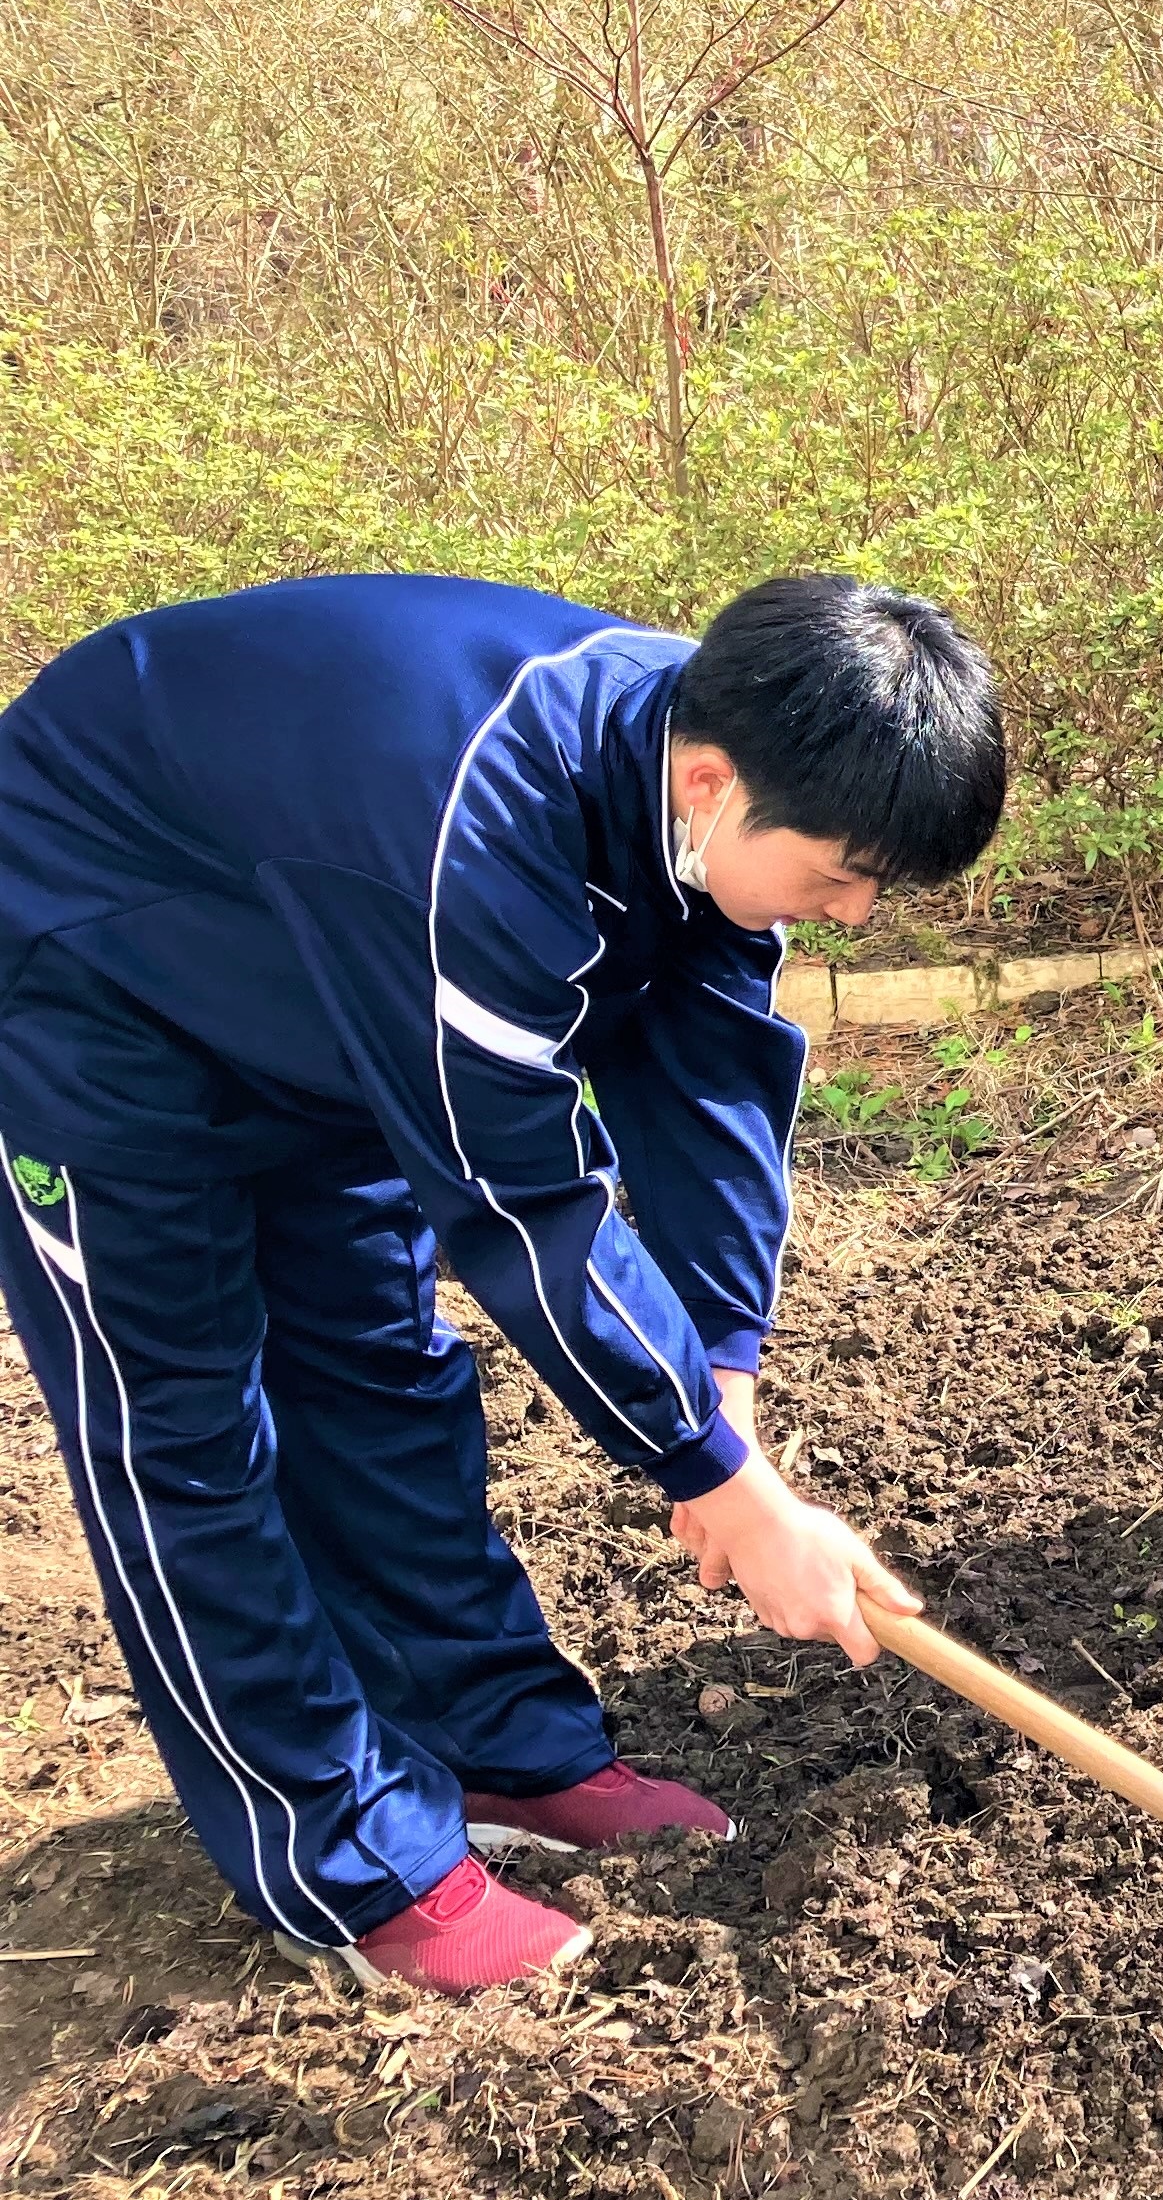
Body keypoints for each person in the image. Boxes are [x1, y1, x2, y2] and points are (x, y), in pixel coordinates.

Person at [0, 572, 1004, 1993]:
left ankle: (495, 1741)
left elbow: (709, 1074)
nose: (846, 910)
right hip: (90, 993)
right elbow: (531, 1206)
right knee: (187, 1433)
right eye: (840, 874)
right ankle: (340, 1860)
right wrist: (712, 1479)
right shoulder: (479, 837)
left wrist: (719, 1375)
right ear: (713, 784)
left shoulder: (719, 762)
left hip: (320, 997)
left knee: (381, 1374)